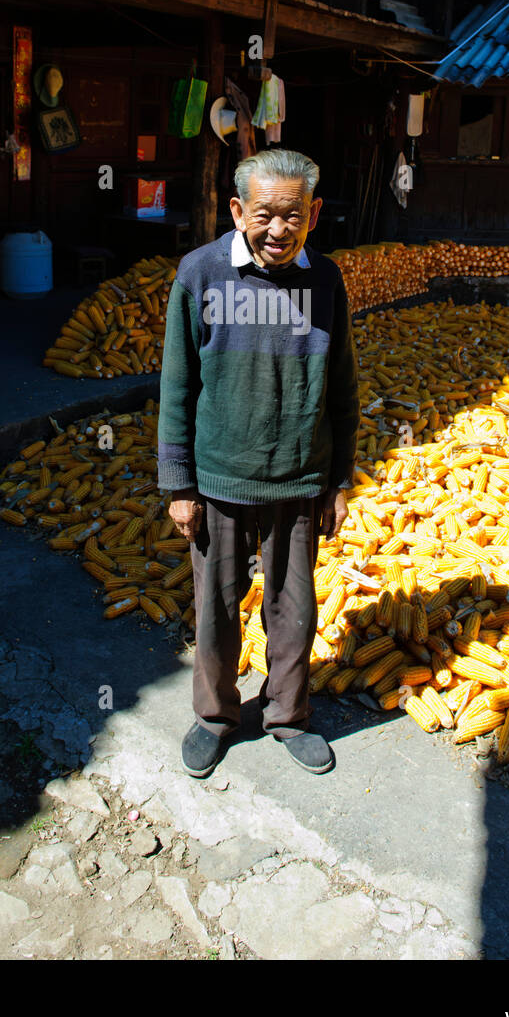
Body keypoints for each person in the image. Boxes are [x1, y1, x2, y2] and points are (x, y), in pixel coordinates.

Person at [157, 148, 360, 778]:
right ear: (238, 210)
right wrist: (178, 483)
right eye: (265, 215)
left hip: (299, 478)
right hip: (218, 476)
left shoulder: (325, 280)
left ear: (315, 214)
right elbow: (177, 385)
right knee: (216, 609)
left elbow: (344, 387)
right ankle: (215, 718)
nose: (279, 230)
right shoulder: (200, 273)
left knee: (293, 609)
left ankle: (287, 716)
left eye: (293, 216)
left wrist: (340, 480)